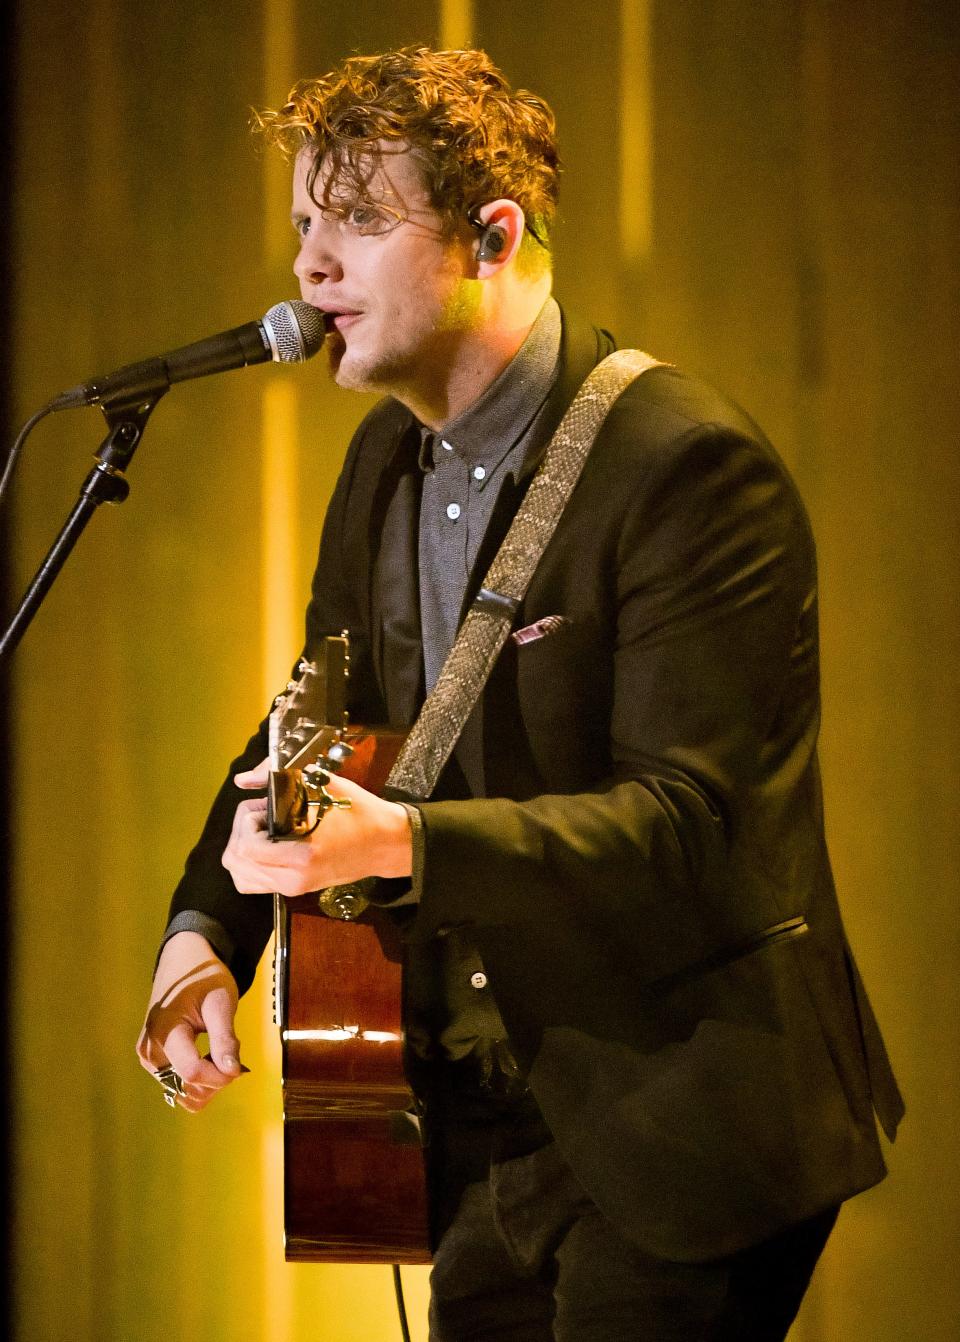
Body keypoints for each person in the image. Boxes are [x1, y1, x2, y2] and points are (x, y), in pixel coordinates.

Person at [137, 46, 903, 1341]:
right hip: (486, 1134)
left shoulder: (688, 469)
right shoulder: (383, 459)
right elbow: (311, 717)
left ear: (493, 236)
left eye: (359, 222)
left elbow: (692, 827)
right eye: (304, 225)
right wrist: (204, 930)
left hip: (679, 1126)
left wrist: (409, 841)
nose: (310, 266)